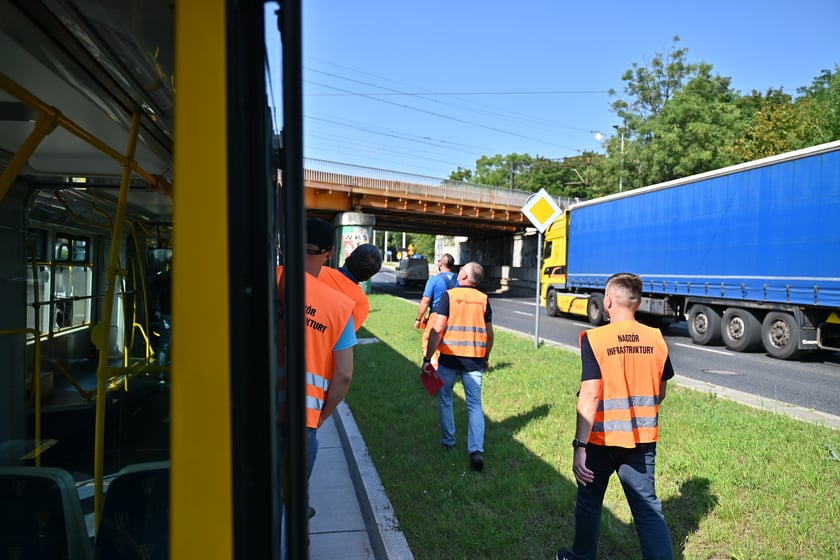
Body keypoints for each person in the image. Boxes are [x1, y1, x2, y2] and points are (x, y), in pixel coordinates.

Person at [556, 272, 675, 560]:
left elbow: (590, 394)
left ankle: (582, 557)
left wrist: (579, 446)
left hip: (600, 439)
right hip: (641, 440)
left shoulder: (595, 339)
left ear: (608, 300)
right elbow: (660, 392)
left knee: (590, 500)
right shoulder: (656, 339)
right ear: (639, 302)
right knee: (647, 509)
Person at [276, 218, 357, 527]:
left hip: (251, 415)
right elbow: (344, 375)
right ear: (329, 253)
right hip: (301, 421)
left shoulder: (265, 279)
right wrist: (321, 416)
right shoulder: (338, 306)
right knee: (289, 507)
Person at [423, 261, 493, 472]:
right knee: (474, 404)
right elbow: (489, 334)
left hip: (449, 359)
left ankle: (449, 442)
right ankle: (476, 451)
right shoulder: (483, 299)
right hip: (474, 360)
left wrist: (428, 358)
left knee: (445, 399)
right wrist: (486, 357)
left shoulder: (449, 296)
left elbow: (438, 329)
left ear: (463, 275)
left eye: (462, 270)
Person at [318, 243, 382, 332]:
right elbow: (343, 340)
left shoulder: (317, 272)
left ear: (347, 259)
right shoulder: (362, 305)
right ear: (367, 278)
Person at [414, 253, 458, 364]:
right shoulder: (458, 280)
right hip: (454, 316)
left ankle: (432, 367)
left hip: (437, 315)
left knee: (429, 340)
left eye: (439, 260)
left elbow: (426, 301)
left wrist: (418, 319)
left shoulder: (434, 280)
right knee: (447, 342)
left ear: (441, 263)